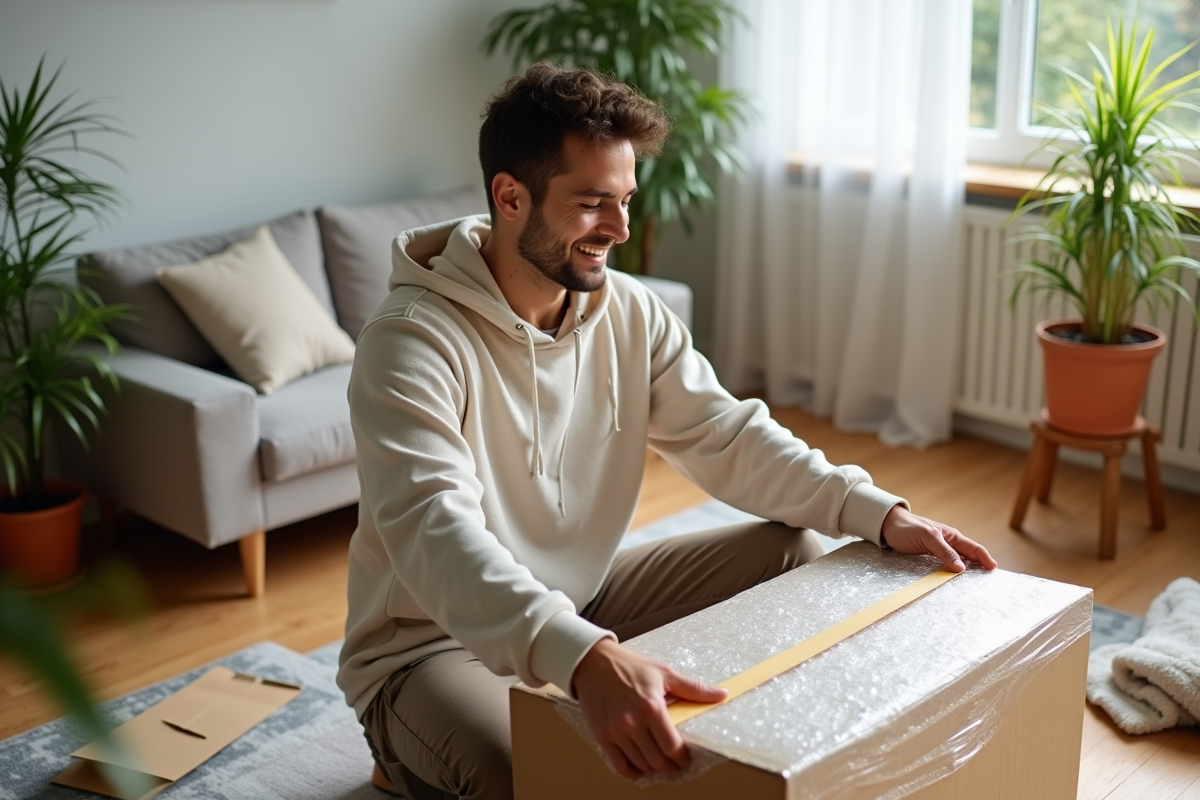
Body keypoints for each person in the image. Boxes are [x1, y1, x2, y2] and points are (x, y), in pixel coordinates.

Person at [337, 62, 997, 800]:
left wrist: (880, 513)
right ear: (510, 196)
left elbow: (727, 434)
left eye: (624, 200)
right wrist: (587, 661)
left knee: (790, 550)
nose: (620, 229)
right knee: (543, 776)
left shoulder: (630, 310)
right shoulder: (410, 342)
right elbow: (436, 534)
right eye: (592, 204)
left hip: (576, 598)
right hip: (428, 643)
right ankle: (398, 753)